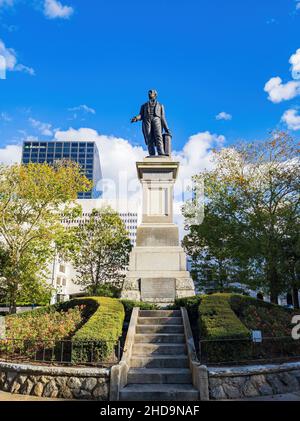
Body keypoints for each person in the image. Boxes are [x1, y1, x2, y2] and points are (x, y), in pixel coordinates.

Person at [131, 90, 171, 156]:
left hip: (156, 119)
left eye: (151, 93)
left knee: (158, 136)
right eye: (148, 93)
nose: (149, 94)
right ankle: (152, 154)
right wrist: (136, 118)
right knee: (149, 137)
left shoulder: (160, 105)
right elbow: (141, 115)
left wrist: (167, 129)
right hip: (147, 120)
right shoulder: (144, 106)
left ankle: (161, 152)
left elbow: (163, 117)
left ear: (155, 95)